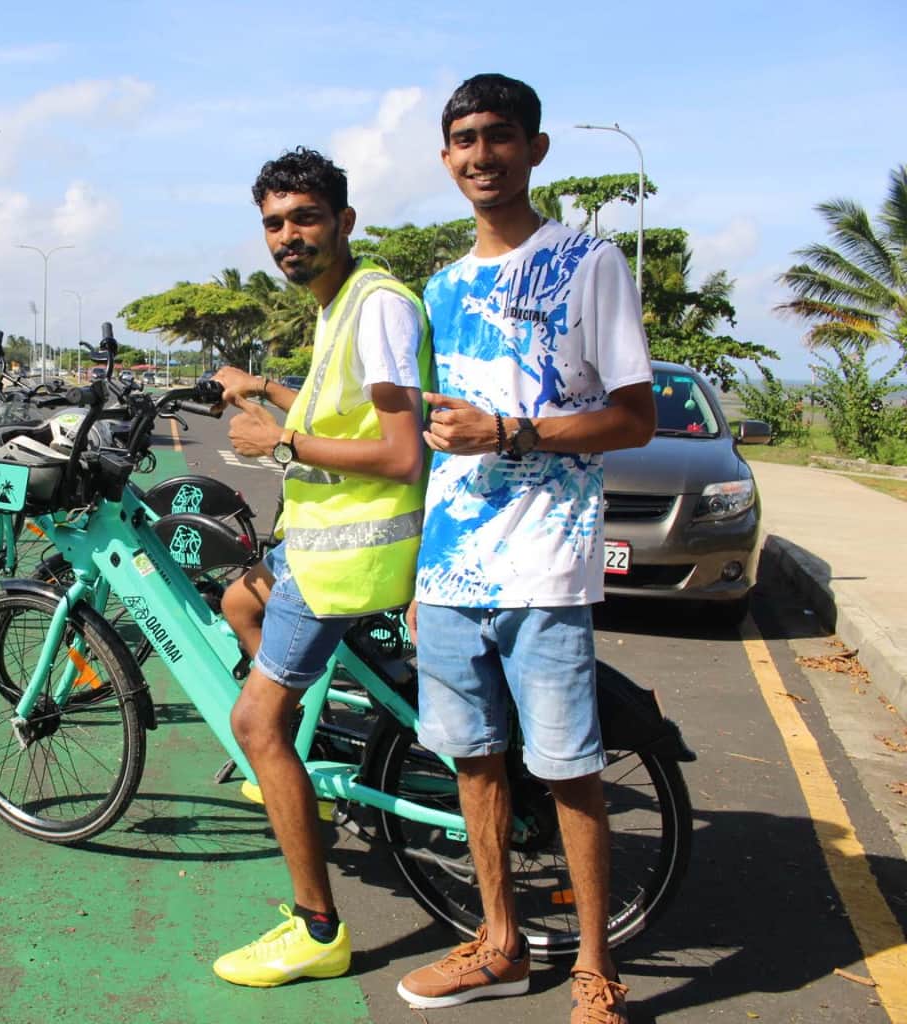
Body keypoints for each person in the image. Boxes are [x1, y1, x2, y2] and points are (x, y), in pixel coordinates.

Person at [397, 74, 654, 1024]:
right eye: (463, 139)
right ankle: (500, 944)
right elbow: (432, 442)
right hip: (453, 568)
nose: (480, 155)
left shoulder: (589, 263)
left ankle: (596, 970)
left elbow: (633, 420)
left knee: (566, 766)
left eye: (499, 137)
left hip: (545, 564)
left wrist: (513, 432)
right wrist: (424, 569)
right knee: (472, 760)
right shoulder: (441, 286)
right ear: (445, 156)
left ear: (535, 149)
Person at [207, 147, 433, 988]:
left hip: (351, 560)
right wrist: (259, 386)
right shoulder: (341, 305)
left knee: (255, 724)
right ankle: (310, 779)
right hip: (326, 548)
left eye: (305, 218)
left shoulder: (375, 306)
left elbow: (401, 451)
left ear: (344, 220)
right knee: (240, 597)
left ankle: (318, 928)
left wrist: (282, 438)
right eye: (274, 223)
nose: (288, 236)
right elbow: (340, 401)